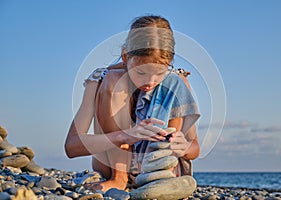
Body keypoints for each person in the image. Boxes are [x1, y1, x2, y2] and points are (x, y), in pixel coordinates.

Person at [64, 15, 200, 192]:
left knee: (175, 84)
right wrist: (125, 135)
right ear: (125, 56)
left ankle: (159, 178)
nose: (150, 81)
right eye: (141, 72)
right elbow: (71, 147)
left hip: (159, 168)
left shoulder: (177, 82)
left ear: (169, 63)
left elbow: (195, 149)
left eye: (159, 72)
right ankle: (119, 177)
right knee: (112, 81)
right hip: (109, 165)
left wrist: (184, 147)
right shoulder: (99, 79)